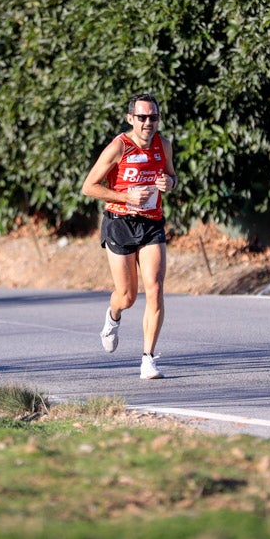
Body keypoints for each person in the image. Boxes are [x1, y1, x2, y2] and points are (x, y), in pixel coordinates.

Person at [80, 93, 178, 380]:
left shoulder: (164, 145)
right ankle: (113, 316)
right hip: (119, 223)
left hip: (152, 223)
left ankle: (148, 359)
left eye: (154, 117)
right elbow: (89, 187)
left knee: (156, 288)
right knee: (127, 296)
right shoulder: (118, 147)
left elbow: (172, 178)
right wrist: (126, 197)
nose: (149, 123)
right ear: (131, 119)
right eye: (143, 117)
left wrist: (168, 182)